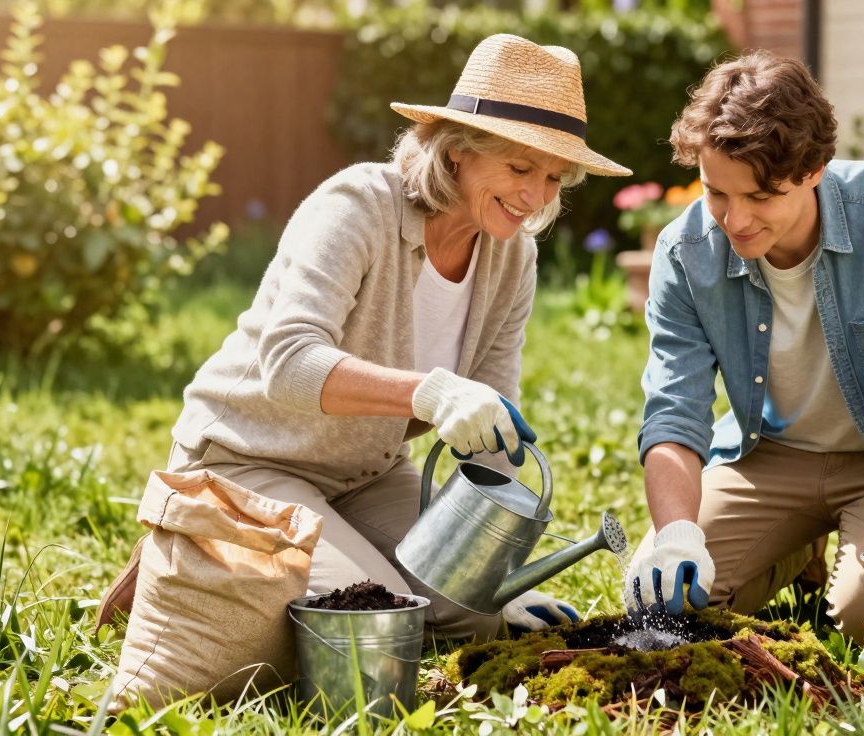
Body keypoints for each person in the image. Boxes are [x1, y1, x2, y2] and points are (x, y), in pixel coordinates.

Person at [162, 33, 631, 641]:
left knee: (472, 612)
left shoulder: (512, 259)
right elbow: (290, 361)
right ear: (457, 150)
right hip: (249, 458)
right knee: (377, 624)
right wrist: (431, 394)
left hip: (366, 474)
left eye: (553, 178)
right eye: (520, 168)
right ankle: (189, 548)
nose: (535, 197)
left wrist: (499, 571)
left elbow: (490, 427)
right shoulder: (356, 206)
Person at [623, 51, 864, 649]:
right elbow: (674, 411)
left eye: (761, 197)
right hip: (766, 456)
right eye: (718, 193)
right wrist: (676, 535)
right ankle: (796, 550)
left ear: (815, 168)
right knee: (659, 610)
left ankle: (849, 560)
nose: (735, 220)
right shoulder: (684, 250)